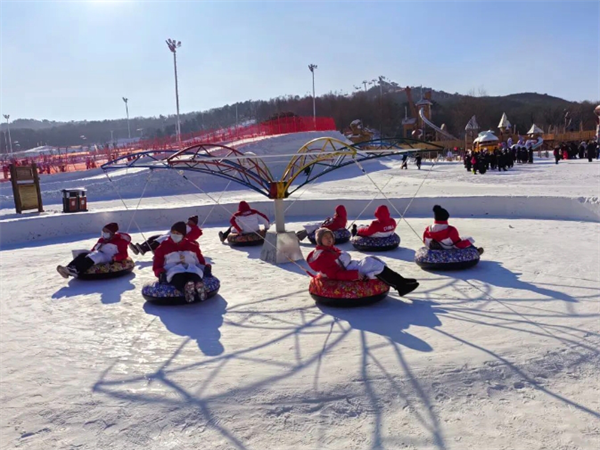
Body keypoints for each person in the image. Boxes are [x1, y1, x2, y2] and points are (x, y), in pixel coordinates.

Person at [307, 228, 419, 296]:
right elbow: (335, 274)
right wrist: (354, 275)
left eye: (330, 236)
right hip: (348, 271)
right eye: (325, 237)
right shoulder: (323, 256)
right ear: (319, 241)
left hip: (349, 266)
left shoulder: (330, 249)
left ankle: (401, 281)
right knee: (372, 264)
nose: (329, 239)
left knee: (372, 260)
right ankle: (400, 286)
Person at [153, 221, 210, 303]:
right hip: (173, 270)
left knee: (194, 275)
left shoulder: (192, 246)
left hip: (191, 268)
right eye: (173, 232)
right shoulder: (163, 247)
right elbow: (157, 264)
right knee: (177, 278)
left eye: (178, 233)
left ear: (183, 235)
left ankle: (199, 287)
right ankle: (186, 290)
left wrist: (205, 268)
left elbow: (199, 261)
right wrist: (160, 272)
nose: (175, 235)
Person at [57, 223, 131, 278]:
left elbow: (124, 254)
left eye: (106, 232)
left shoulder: (120, 242)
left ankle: (76, 270)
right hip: (99, 253)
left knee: (96, 256)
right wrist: (89, 253)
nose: (104, 233)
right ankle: (68, 268)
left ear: (112, 233)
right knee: (83, 255)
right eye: (103, 231)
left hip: (109, 257)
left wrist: (116, 258)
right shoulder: (102, 240)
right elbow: (95, 248)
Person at [130, 215, 202, 255]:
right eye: (189, 220)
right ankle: (139, 248)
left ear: (194, 223)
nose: (188, 221)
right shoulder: (186, 225)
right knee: (153, 238)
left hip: (175, 238)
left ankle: (144, 249)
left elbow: (189, 237)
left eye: (190, 221)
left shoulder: (193, 229)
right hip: (170, 235)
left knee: (159, 240)